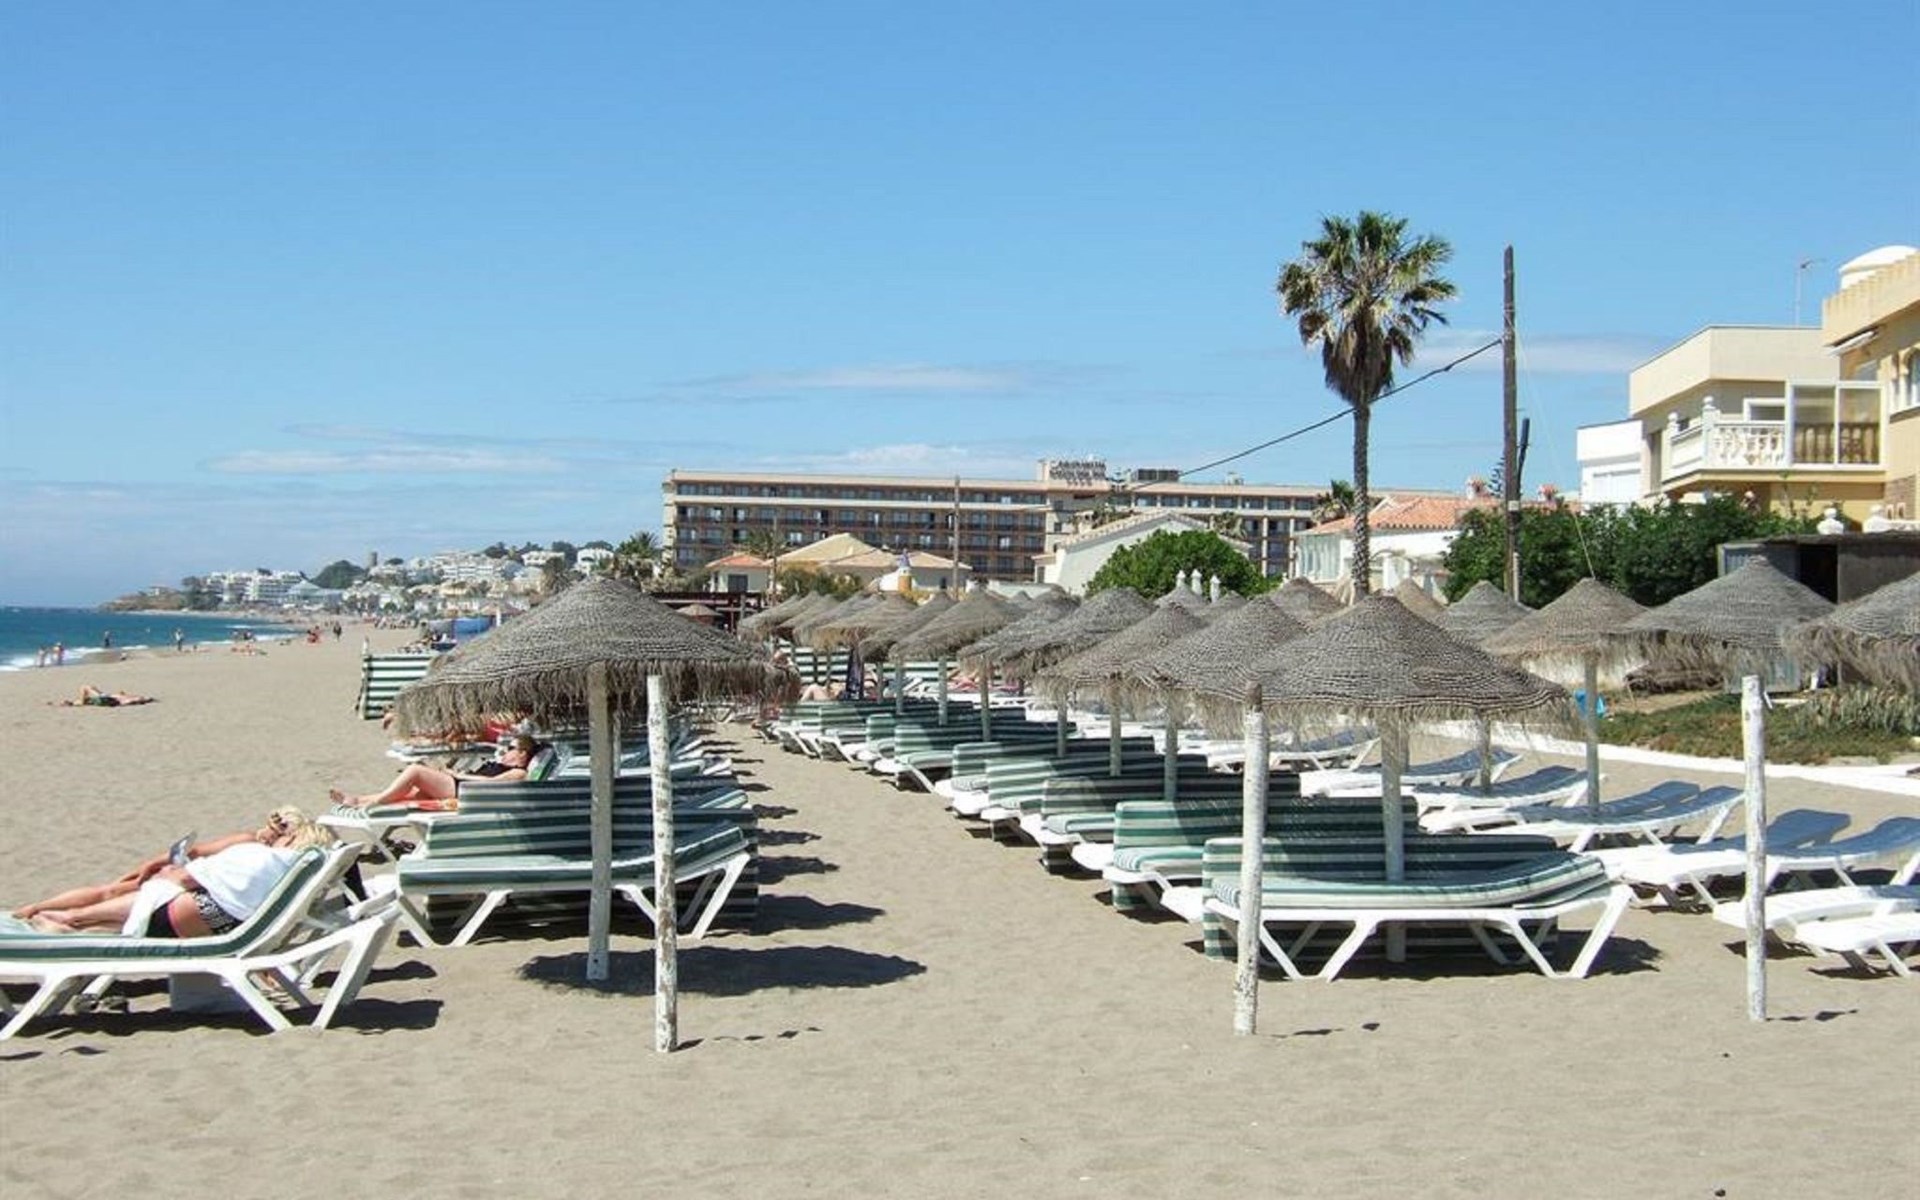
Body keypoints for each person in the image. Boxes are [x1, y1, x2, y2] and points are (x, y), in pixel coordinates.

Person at [15, 808, 330, 934]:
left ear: (292, 837)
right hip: (228, 923)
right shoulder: (295, 872)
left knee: (113, 896)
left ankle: (66, 917)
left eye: (281, 829)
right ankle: (66, 920)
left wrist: (161, 872)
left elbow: (188, 872)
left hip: (195, 911)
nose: (272, 832)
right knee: (110, 904)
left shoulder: (257, 853)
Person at [330, 733, 545, 811]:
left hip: (466, 790)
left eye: (511, 748)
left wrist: (460, 775)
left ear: (523, 753)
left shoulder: (519, 773)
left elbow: (491, 783)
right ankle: (361, 800)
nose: (506, 751)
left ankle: (374, 803)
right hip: (462, 785)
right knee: (413, 794)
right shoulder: (507, 764)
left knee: (415, 771)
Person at [51, 685, 155, 708]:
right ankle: (142, 698)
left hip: (106, 700)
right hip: (104, 700)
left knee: (85, 687)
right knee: (86, 687)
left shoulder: (77, 702)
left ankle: (141, 699)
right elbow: (81, 702)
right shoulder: (78, 702)